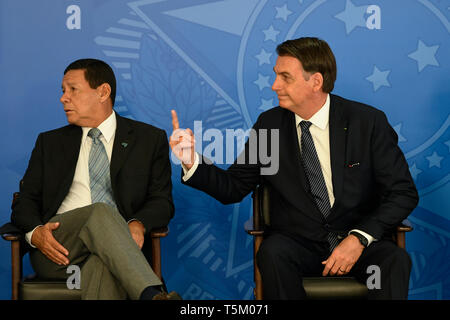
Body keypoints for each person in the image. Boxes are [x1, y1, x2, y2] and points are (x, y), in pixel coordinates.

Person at [170, 37, 418, 299]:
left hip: (360, 250)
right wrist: (191, 160)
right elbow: (233, 187)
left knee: (393, 262)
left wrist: (359, 238)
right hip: (300, 249)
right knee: (273, 253)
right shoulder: (270, 126)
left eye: (285, 77)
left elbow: (403, 193)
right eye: (276, 75)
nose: (275, 85)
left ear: (316, 81)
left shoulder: (367, 122)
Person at [11, 58, 180, 300]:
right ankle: (152, 295)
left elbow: (161, 202)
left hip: (120, 251)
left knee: (103, 265)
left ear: (103, 92)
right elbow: (25, 201)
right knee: (98, 211)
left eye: (73, 89)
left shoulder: (148, 139)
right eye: (63, 91)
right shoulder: (50, 143)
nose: (63, 98)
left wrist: (138, 223)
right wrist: (36, 232)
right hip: (60, 252)